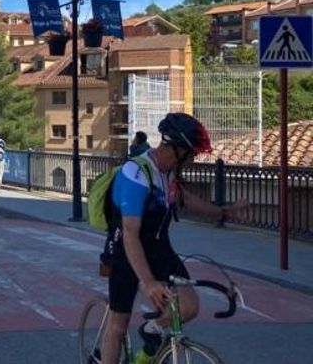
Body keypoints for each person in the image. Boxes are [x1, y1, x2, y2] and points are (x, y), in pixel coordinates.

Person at [99, 113, 247, 364]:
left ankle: (152, 330)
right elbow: (131, 233)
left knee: (188, 306)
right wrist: (147, 282)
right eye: (191, 154)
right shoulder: (135, 174)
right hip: (126, 249)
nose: (193, 159)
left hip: (159, 248)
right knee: (118, 325)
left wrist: (223, 212)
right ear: (177, 149)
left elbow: (184, 199)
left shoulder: (168, 173)